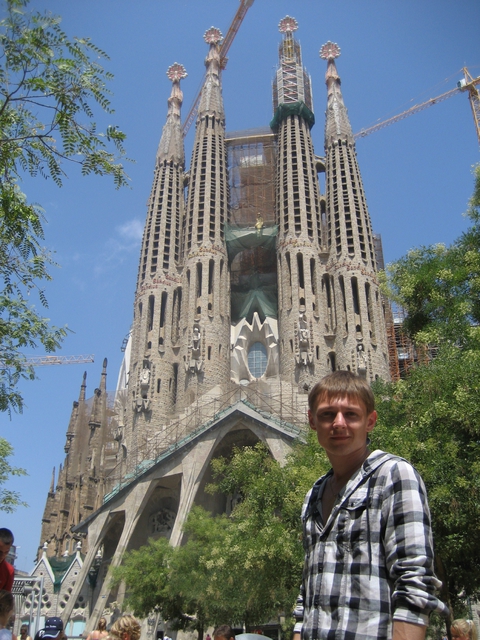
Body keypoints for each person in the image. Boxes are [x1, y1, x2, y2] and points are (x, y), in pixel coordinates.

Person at [293, 370, 447, 640]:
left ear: (370, 421)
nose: (338, 423)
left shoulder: (394, 475)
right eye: (327, 414)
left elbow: (415, 584)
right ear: (312, 421)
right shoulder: (314, 495)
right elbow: (308, 593)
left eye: (351, 414)